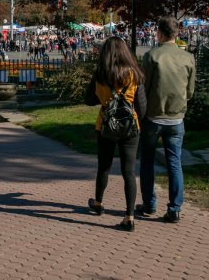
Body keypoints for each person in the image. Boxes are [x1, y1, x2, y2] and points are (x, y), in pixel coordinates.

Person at [84, 36, 147, 232]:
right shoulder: (134, 74)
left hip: (106, 126)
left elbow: (88, 100)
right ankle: (129, 215)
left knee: (104, 167)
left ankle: (99, 203)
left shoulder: (100, 75)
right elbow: (142, 106)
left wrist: (105, 99)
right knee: (129, 172)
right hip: (130, 127)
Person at [137, 17, 196, 223]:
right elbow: (189, 91)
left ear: (160, 33)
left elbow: (144, 88)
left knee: (147, 162)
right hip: (176, 117)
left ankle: (149, 204)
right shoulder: (188, 57)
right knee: (174, 163)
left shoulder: (152, 56)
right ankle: (175, 207)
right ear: (176, 33)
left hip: (154, 116)